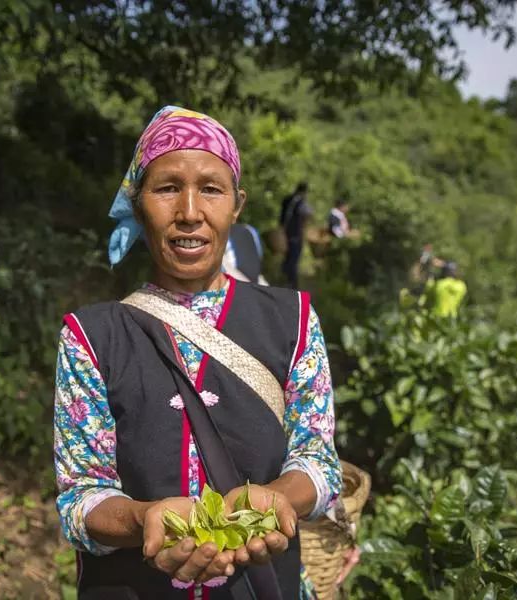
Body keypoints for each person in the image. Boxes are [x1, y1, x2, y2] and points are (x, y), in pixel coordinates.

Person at [54, 106, 342, 600]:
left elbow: (319, 460)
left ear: (236, 204)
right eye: (167, 188)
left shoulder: (291, 320)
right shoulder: (92, 336)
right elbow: (81, 498)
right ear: (138, 202)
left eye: (211, 188)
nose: (189, 211)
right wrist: (144, 519)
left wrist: (277, 499)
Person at [278, 182, 311, 288]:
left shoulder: (287, 199)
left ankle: (283, 277)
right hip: (296, 233)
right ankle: (292, 283)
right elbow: (307, 214)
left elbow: (282, 216)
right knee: (294, 258)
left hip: (285, 232)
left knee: (287, 255)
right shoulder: (301, 202)